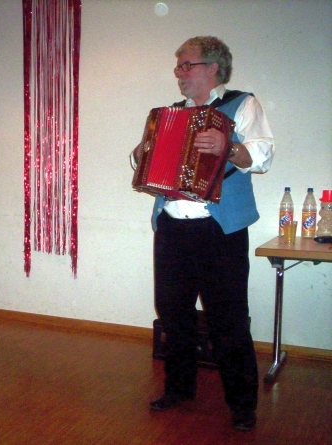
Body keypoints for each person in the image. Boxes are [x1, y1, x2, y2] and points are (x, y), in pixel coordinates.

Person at [131, 36, 274, 431]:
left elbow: (262, 155)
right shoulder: (170, 114)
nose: (179, 73)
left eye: (186, 65)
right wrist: (141, 154)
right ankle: (179, 388)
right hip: (172, 226)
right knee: (173, 312)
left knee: (228, 318)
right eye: (178, 66)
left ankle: (242, 405)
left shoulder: (242, 104)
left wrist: (229, 147)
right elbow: (146, 163)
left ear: (213, 67)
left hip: (219, 229)